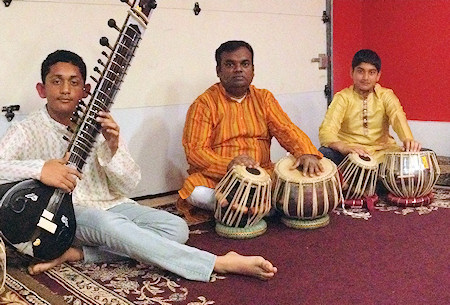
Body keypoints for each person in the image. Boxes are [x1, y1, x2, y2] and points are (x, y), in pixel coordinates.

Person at [0, 50, 277, 282]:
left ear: (86, 90)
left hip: (111, 203)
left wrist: (113, 146)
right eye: (56, 81)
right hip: (66, 211)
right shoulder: (27, 130)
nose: (65, 90)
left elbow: (128, 184)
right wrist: (40, 170)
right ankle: (215, 263)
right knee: (111, 225)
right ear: (42, 88)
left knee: (176, 230)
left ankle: (81, 253)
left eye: (74, 82)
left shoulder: (97, 125)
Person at [178, 40, 323, 220]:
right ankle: (255, 206)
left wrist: (305, 152)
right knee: (195, 191)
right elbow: (195, 151)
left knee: (296, 177)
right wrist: (230, 165)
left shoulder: (264, 99)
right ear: (218, 71)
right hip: (222, 178)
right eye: (230, 64)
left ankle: (235, 207)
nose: (238, 69)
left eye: (244, 64)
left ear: (253, 69)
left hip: (263, 174)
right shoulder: (204, 104)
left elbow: (286, 129)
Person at [318, 49, 422, 165]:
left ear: (378, 76)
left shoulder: (386, 95)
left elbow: (398, 118)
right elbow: (326, 131)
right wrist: (343, 147)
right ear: (352, 72)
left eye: (371, 73)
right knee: (324, 153)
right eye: (360, 71)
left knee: (422, 156)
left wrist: (408, 140)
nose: (365, 78)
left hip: (382, 153)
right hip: (350, 154)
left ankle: (372, 178)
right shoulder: (343, 97)